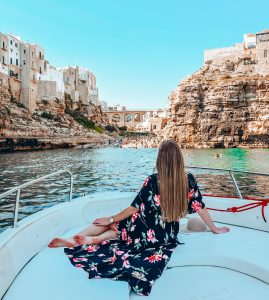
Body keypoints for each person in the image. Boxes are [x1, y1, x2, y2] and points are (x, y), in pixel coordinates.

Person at [48, 140, 229, 296]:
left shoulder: (152, 180)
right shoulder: (188, 179)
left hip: (144, 231)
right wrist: (215, 229)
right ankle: (94, 239)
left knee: (112, 224)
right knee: (118, 228)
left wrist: (111, 219)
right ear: (179, 159)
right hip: (166, 236)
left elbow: (133, 208)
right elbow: (200, 207)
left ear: (161, 159)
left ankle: (75, 240)